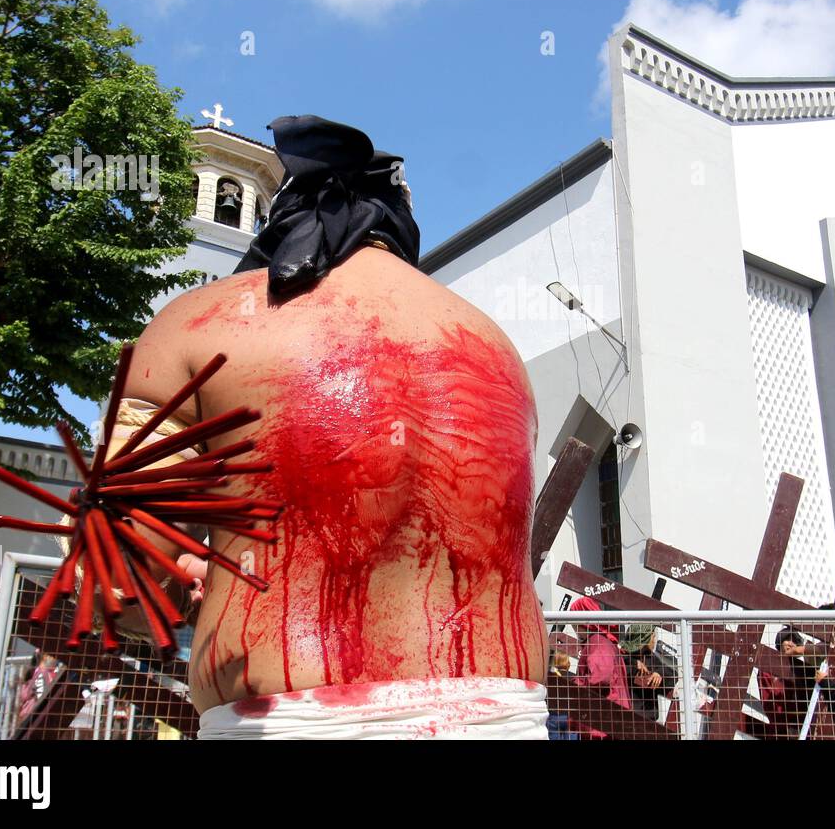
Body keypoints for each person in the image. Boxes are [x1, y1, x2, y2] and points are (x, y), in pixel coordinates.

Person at [91, 116, 549, 739]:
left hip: (290, 721)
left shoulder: (196, 323)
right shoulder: (498, 349)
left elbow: (117, 579)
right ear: (401, 222)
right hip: (503, 718)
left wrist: (184, 584)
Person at [568, 597, 630, 737]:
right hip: (606, 722)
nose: (574, 628)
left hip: (601, 724)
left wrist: (575, 685)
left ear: (583, 622)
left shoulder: (597, 642)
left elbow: (601, 678)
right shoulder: (602, 641)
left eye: (574, 623)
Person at [618, 623, 675, 723]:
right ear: (644, 639)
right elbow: (622, 668)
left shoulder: (649, 657)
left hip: (647, 719)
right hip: (626, 717)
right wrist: (634, 665)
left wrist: (659, 673)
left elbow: (671, 673)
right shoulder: (621, 656)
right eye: (652, 636)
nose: (654, 640)